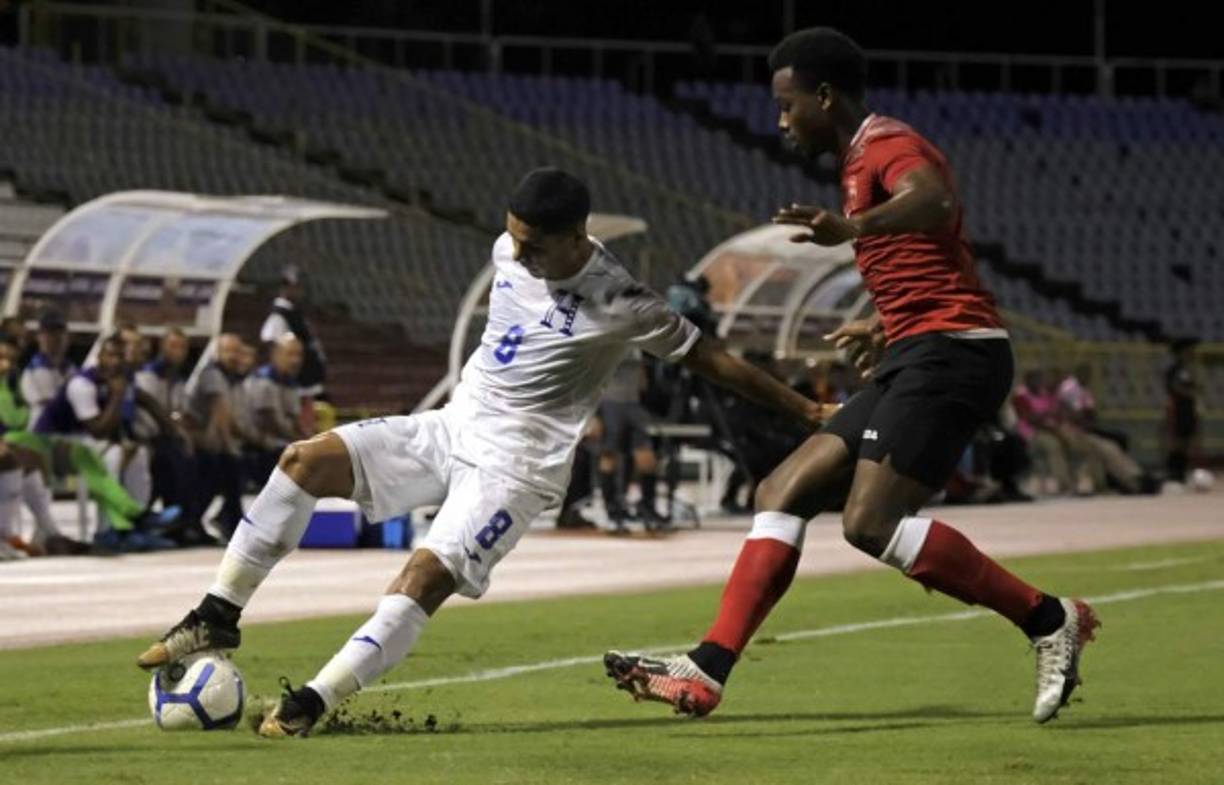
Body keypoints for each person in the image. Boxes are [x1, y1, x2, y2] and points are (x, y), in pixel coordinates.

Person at [134, 167, 835, 739]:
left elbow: (712, 360)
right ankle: (218, 612)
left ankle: (315, 700)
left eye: (534, 245)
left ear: (575, 237)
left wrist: (805, 410)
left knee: (423, 574)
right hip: (453, 425)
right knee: (302, 460)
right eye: (513, 237)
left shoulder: (622, 301)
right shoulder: (510, 248)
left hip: (515, 468)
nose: (517, 254)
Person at [602, 28, 1098, 726]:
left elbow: (935, 201)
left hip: (955, 353)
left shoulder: (886, 145)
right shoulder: (860, 159)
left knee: (870, 522)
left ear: (826, 96)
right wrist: (879, 321)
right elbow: (928, 264)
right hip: (917, 348)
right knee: (781, 489)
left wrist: (852, 227)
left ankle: (1049, 619)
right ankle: (708, 668)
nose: (781, 121)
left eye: (788, 104)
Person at [32, 335, 176, 551]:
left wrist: (171, 430)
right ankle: (106, 531)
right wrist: (117, 396)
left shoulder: (122, 381)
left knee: (138, 453)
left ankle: (134, 528)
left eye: (120, 356)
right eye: (110, 355)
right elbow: (97, 430)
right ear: (99, 357)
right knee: (113, 455)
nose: (115, 361)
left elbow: (141, 405)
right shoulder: (82, 384)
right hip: (50, 445)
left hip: (84, 445)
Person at [182, 333, 248, 540]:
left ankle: (222, 521)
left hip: (208, 438)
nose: (233, 356)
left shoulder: (230, 378)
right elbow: (218, 412)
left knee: (228, 469)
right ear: (217, 353)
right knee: (225, 465)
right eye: (228, 351)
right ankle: (228, 522)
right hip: (194, 437)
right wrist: (227, 446)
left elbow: (228, 417)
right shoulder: (212, 373)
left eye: (237, 351)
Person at [597, 349, 664, 532]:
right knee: (609, 455)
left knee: (647, 457)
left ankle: (647, 507)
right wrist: (594, 414)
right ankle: (612, 511)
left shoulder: (637, 343)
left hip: (633, 403)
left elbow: (642, 375)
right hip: (609, 402)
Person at [261, 266, 326, 433]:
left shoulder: (294, 312)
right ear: (284, 288)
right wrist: (285, 369)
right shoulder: (279, 315)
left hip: (305, 378)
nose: (298, 291)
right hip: (294, 382)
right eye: (294, 287)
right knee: (296, 420)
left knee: (307, 418)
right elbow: (272, 342)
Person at [243, 334, 306, 485]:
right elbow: (269, 423)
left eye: (299, 355)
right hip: (257, 444)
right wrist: (299, 440)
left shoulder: (291, 383)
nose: (295, 360)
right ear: (276, 355)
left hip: (281, 441)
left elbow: (294, 419)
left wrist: (308, 438)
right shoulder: (263, 380)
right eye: (290, 354)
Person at [20, 310, 75, 426]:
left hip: (67, 428)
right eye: (49, 333)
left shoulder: (71, 368)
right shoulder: (33, 369)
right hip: (43, 428)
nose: (55, 338)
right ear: (39, 337)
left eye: (60, 332)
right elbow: (42, 403)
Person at [1164, 339, 1200, 486]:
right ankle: (1174, 474)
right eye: (1188, 350)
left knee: (1186, 442)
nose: (1192, 353)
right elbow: (1174, 386)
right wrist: (1189, 393)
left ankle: (1181, 474)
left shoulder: (1187, 369)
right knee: (1177, 442)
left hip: (1188, 409)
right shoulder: (1175, 369)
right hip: (1178, 408)